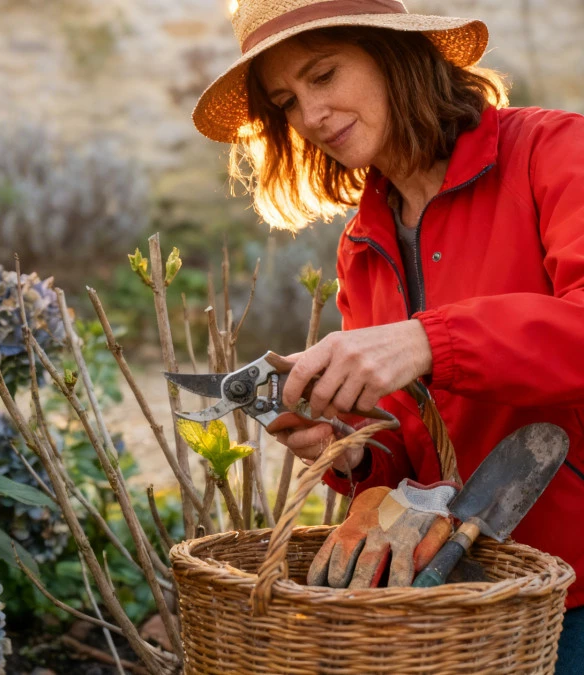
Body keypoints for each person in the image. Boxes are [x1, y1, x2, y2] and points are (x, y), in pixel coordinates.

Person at [192, 0, 584, 670]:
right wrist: (350, 452)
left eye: (323, 75)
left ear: (395, 54)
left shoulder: (554, 152)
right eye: (287, 101)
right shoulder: (364, 243)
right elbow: (413, 447)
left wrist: (429, 341)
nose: (310, 116)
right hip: (464, 603)